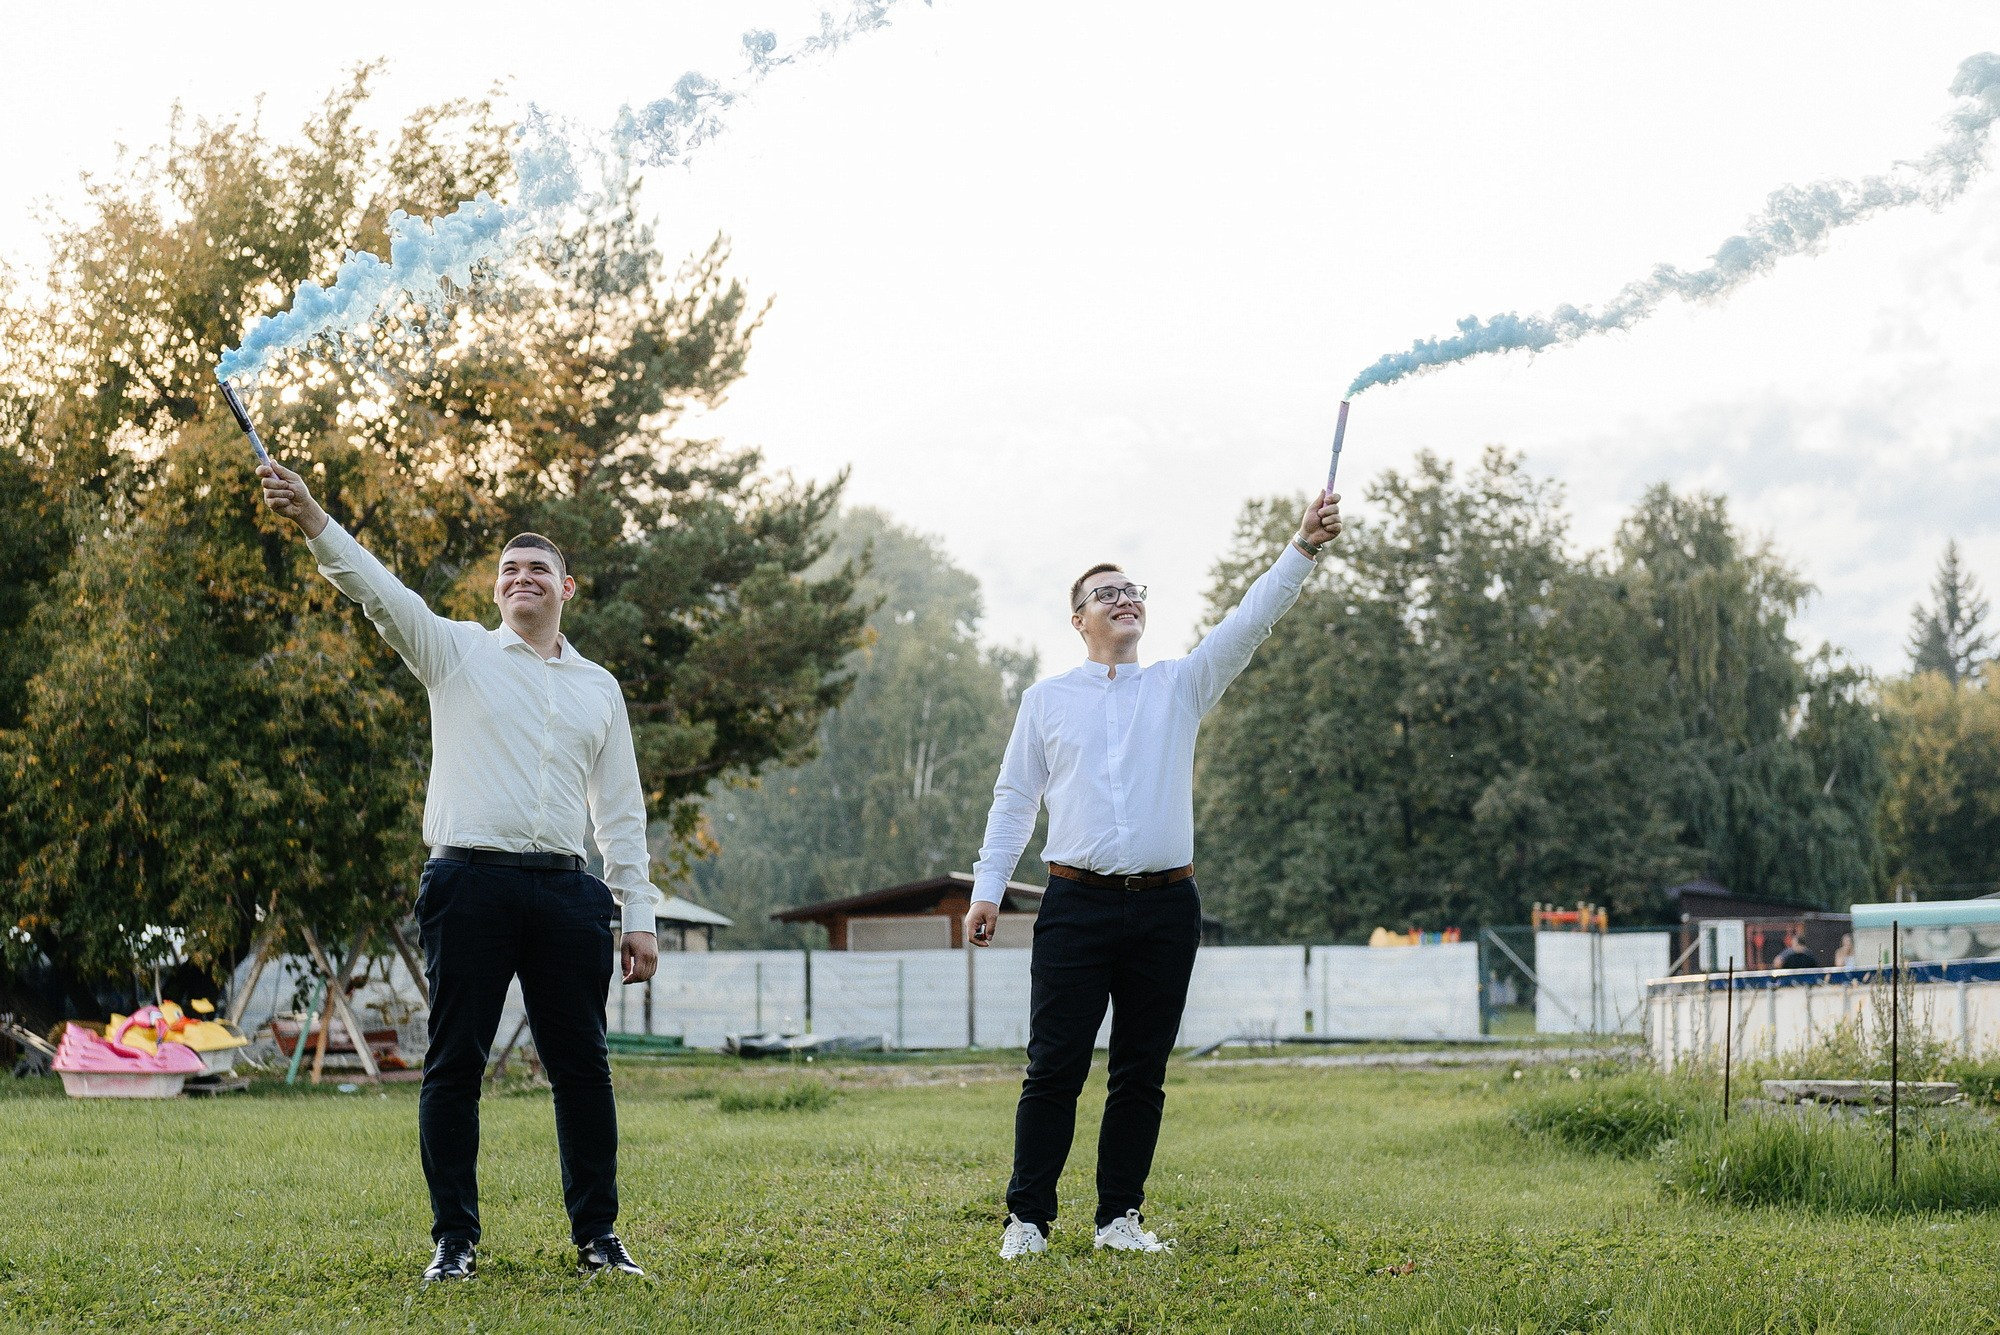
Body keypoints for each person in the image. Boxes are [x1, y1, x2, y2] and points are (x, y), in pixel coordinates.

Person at [259, 459, 660, 1283]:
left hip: (568, 892)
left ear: (565, 589)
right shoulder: (456, 653)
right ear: (496, 589)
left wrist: (639, 912)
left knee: (583, 1069)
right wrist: (311, 517)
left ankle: (598, 1237)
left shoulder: (599, 688)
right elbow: (377, 590)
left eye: (537, 568)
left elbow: (621, 809)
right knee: (454, 1065)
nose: (522, 577)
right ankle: (454, 1240)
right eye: (509, 569)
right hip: (468, 885)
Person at [966, 487, 1342, 1258]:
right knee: (1054, 1067)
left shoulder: (1181, 684)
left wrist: (1301, 547)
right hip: (1074, 905)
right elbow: (1014, 801)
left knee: (1141, 1071)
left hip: (1168, 908)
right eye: (1105, 593)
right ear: (1079, 620)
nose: (1124, 598)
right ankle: (1027, 1220)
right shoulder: (1045, 701)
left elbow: (1250, 619)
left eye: (1131, 589)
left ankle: (1119, 1219)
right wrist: (986, 889)